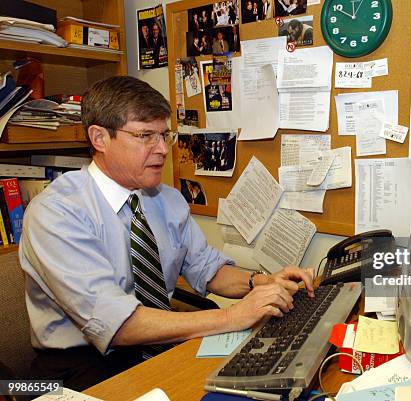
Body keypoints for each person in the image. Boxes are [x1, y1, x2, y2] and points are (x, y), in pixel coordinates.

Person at [19, 76, 314, 390]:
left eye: (164, 135)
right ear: (100, 138)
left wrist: (262, 281)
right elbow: (116, 324)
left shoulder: (167, 199)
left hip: (158, 342)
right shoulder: (55, 213)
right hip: (80, 365)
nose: (162, 149)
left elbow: (208, 269)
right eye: (146, 135)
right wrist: (233, 317)